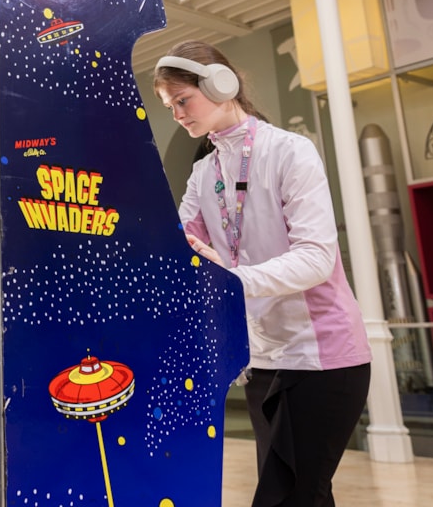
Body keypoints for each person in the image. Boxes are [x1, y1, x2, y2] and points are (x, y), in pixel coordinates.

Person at [153, 40, 371, 507]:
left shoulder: (290, 151)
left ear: (220, 84)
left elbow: (316, 257)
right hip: (263, 360)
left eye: (182, 100)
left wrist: (231, 279)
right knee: (292, 495)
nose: (176, 114)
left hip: (324, 357)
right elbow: (176, 248)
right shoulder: (203, 174)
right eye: (168, 106)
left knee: (294, 494)